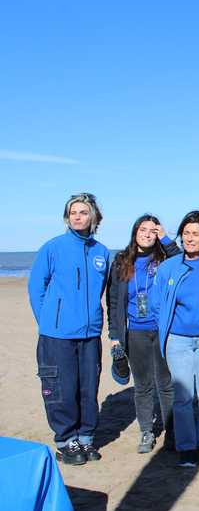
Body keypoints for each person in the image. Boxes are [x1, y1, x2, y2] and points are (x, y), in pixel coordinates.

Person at [28, 193, 109, 465]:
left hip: (89, 334)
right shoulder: (53, 248)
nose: (77, 216)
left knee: (88, 388)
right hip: (57, 335)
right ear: (67, 217)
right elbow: (36, 287)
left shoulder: (101, 252)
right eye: (73, 212)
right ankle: (65, 441)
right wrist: (49, 321)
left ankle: (85, 438)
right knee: (62, 389)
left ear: (93, 217)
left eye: (83, 212)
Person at [152, 211, 199, 468]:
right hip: (178, 341)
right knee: (183, 396)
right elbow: (156, 302)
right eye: (186, 233)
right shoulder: (169, 267)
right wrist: (167, 329)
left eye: (196, 233)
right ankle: (186, 448)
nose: (190, 238)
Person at [107, 215, 180, 453]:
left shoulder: (164, 259)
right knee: (143, 385)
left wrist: (166, 237)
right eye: (143, 229)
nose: (147, 234)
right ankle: (146, 432)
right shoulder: (121, 261)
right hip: (135, 332)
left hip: (162, 330)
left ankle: (172, 431)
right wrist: (115, 335)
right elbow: (114, 300)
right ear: (135, 231)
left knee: (166, 383)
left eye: (153, 230)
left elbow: (182, 259)